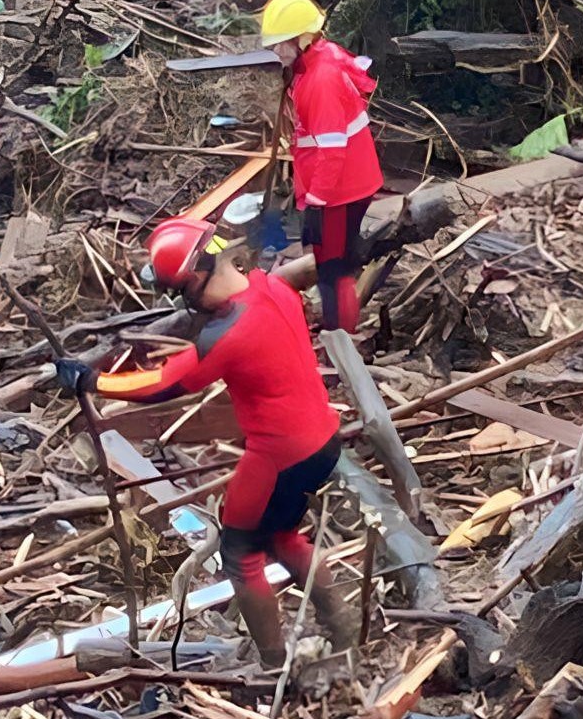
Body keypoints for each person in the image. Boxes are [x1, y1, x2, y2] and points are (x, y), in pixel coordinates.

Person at [54, 217, 357, 666]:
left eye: (182, 293)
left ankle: (273, 664)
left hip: (279, 456)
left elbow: (163, 384)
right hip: (322, 440)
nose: (186, 304)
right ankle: (345, 627)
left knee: (240, 554)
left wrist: (92, 380)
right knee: (282, 535)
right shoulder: (273, 289)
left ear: (196, 278)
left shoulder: (227, 334)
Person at [261, 0, 384, 333]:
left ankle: (340, 339)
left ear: (301, 38)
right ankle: (338, 329)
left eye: (281, 43)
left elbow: (332, 150)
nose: (275, 50)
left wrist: (316, 200)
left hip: (339, 190)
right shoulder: (318, 59)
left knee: (333, 270)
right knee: (333, 263)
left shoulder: (321, 79)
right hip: (344, 184)